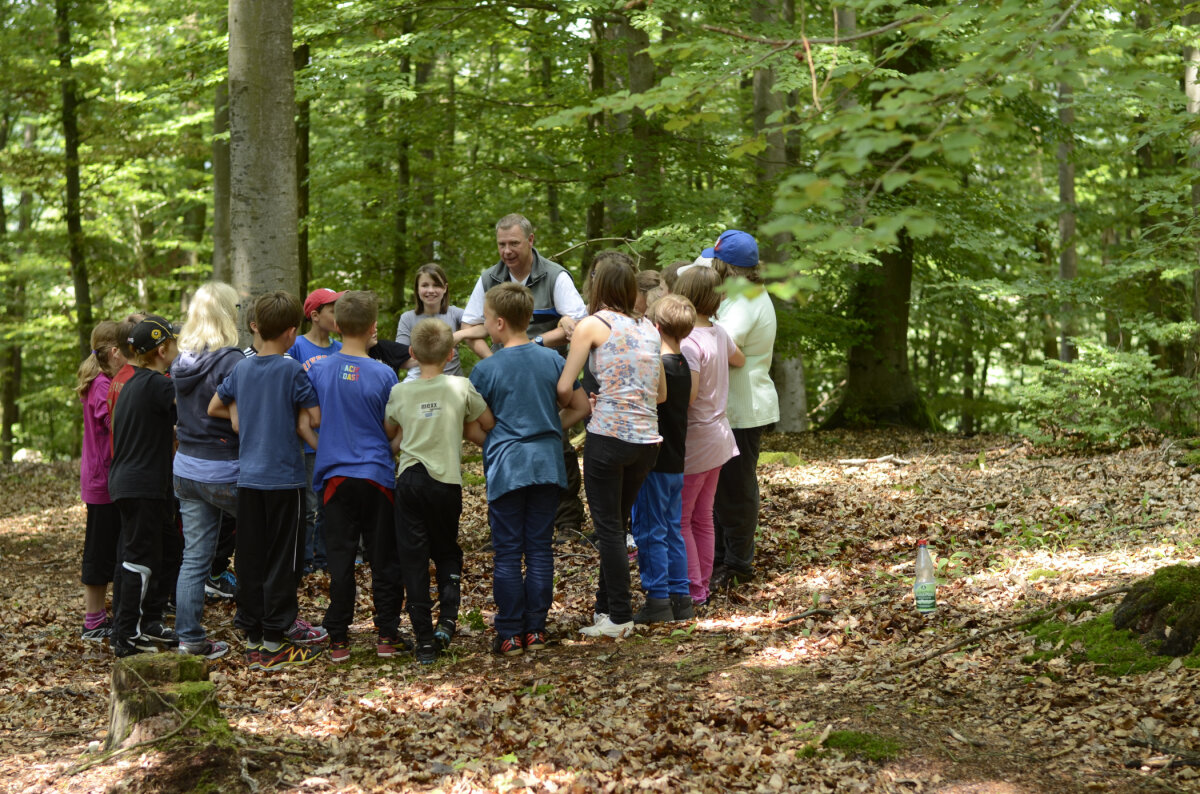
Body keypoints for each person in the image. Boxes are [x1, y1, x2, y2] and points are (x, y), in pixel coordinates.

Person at [468, 283, 589, 656]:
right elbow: (582, 407)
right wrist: (552, 428)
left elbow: (469, 422)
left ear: (499, 323)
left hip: (507, 468)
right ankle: (535, 630)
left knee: (507, 552)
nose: (485, 325)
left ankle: (508, 633)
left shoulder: (485, 369)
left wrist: (493, 443)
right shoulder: (553, 360)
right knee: (539, 548)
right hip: (547, 464)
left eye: (486, 320)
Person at [210, 291, 326, 671]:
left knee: (251, 557)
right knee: (284, 560)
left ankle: (255, 637)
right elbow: (315, 416)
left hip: (249, 481)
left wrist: (240, 415)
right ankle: (275, 641)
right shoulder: (292, 370)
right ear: (293, 332)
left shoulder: (241, 369)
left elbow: (214, 405)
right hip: (284, 480)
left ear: (257, 327)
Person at [460, 214, 588, 537]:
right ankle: (503, 524)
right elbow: (469, 327)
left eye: (513, 243)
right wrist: (497, 361)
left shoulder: (555, 277)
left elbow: (577, 324)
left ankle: (568, 521)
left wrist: (536, 344)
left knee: (558, 446)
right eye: (502, 244)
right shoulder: (489, 278)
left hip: (547, 376)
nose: (507, 251)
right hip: (503, 381)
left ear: (531, 241)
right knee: (503, 448)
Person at [558, 253, 665, 639]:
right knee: (617, 525)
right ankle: (606, 608)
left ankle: (619, 616)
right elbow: (661, 393)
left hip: (608, 438)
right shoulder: (651, 329)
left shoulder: (592, 324)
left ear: (598, 288)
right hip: (646, 441)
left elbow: (564, 385)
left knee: (609, 530)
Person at [304, 291, 404, 664]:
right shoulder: (384, 374)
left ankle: (339, 640)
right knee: (382, 559)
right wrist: (388, 449)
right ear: (373, 327)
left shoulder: (318, 368)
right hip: (377, 476)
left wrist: (325, 446)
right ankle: (387, 635)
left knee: (340, 559)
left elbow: (307, 421)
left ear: (338, 325)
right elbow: (392, 427)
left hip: (335, 479)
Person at [387, 318, 493, 664]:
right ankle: (447, 622)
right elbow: (486, 423)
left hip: (410, 481)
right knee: (447, 551)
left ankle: (424, 642)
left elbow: (390, 428)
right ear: (451, 353)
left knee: (413, 559)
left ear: (413, 353)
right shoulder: (461, 386)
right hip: (446, 483)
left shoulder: (400, 391)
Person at [171, 282, 244, 660]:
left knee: (194, 557)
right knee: (262, 540)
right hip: (224, 467)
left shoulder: (179, 360)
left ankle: (189, 639)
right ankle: (260, 626)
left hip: (186, 468)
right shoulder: (232, 361)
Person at [708, 231, 779, 591]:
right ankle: (722, 556)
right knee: (722, 487)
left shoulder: (747, 301)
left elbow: (722, 342)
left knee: (735, 488)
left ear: (728, 268)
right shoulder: (740, 295)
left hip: (743, 406)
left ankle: (738, 563)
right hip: (733, 406)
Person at [108, 315, 182, 657]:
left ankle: (150, 620)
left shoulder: (135, 383)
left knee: (166, 549)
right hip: (142, 485)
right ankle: (126, 635)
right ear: (162, 349)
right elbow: (189, 413)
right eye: (174, 344)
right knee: (138, 558)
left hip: (133, 483)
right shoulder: (159, 385)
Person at [673, 267, 744, 607]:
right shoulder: (718, 332)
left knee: (684, 517)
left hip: (698, 438)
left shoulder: (687, 342)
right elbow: (739, 358)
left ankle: (693, 588)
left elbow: (689, 396)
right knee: (703, 515)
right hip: (718, 435)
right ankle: (701, 585)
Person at [629, 294, 697, 623]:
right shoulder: (686, 366)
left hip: (655, 463)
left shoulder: (661, 367)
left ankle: (657, 600)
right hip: (676, 462)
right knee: (671, 529)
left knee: (650, 530)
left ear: (655, 327)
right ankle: (680, 597)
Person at [289, 287, 345, 575]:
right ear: (314, 315)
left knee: (328, 504)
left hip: (335, 440)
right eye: (333, 310)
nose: (339, 315)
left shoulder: (339, 348)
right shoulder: (297, 347)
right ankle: (305, 559)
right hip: (306, 441)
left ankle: (323, 556)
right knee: (309, 505)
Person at [77, 321, 127, 642]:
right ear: (113, 352)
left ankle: (98, 616)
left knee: (107, 548)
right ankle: (93, 621)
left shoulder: (102, 380)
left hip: (105, 480)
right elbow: (112, 421)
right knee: (98, 552)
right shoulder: (99, 386)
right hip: (101, 483)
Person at [394, 263, 468, 379]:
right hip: (420, 384)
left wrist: (460, 335)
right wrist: (433, 357)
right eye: (424, 285)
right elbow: (399, 359)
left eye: (436, 285)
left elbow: (484, 327)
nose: (430, 290)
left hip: (453, 384)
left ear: (445, 288)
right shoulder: (407, 318)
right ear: (417, 289)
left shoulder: (455, 313)